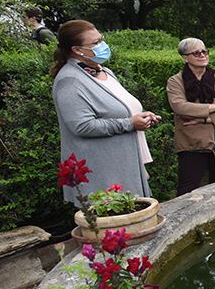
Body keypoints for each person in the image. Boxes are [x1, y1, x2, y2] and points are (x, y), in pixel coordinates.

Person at [51, 20, 159, 202]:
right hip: (103, 171)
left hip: (126, 162)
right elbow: (82, 126)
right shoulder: (69, 80)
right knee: (114, 224)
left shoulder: (104, 71)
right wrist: (130, 123)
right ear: (77, 50)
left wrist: (142, 117)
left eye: (102, 39)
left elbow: (119, 109)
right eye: (95, 43)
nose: (102, 45)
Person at [166, 37, 215, 195]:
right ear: (185, 57)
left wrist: (203, 118)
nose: (202, 55)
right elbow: (180, 107)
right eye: (196, 53)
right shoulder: (176, 82)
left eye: (204, 51)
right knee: (187, 191)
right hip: (191, 146)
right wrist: (214, 107)